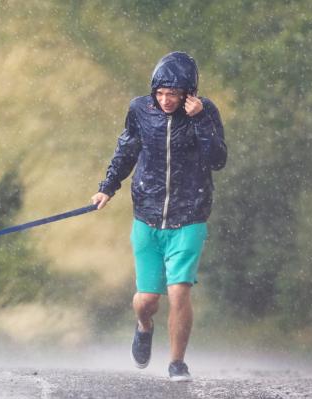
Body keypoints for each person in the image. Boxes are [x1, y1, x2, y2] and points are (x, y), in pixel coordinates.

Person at [91, 51, 227, 381]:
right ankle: (144, 326)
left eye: (174, 94)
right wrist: (107, 187)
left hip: (189, 216)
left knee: (179, 290)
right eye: (161, 93)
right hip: (147, 216)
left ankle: (177, 362)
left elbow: (217, 159)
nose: (166, 100)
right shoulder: (140, 109)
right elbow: (127, 149)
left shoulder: (204, 112)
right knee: (147, 300)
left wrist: (199, 121)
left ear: (188, 93)